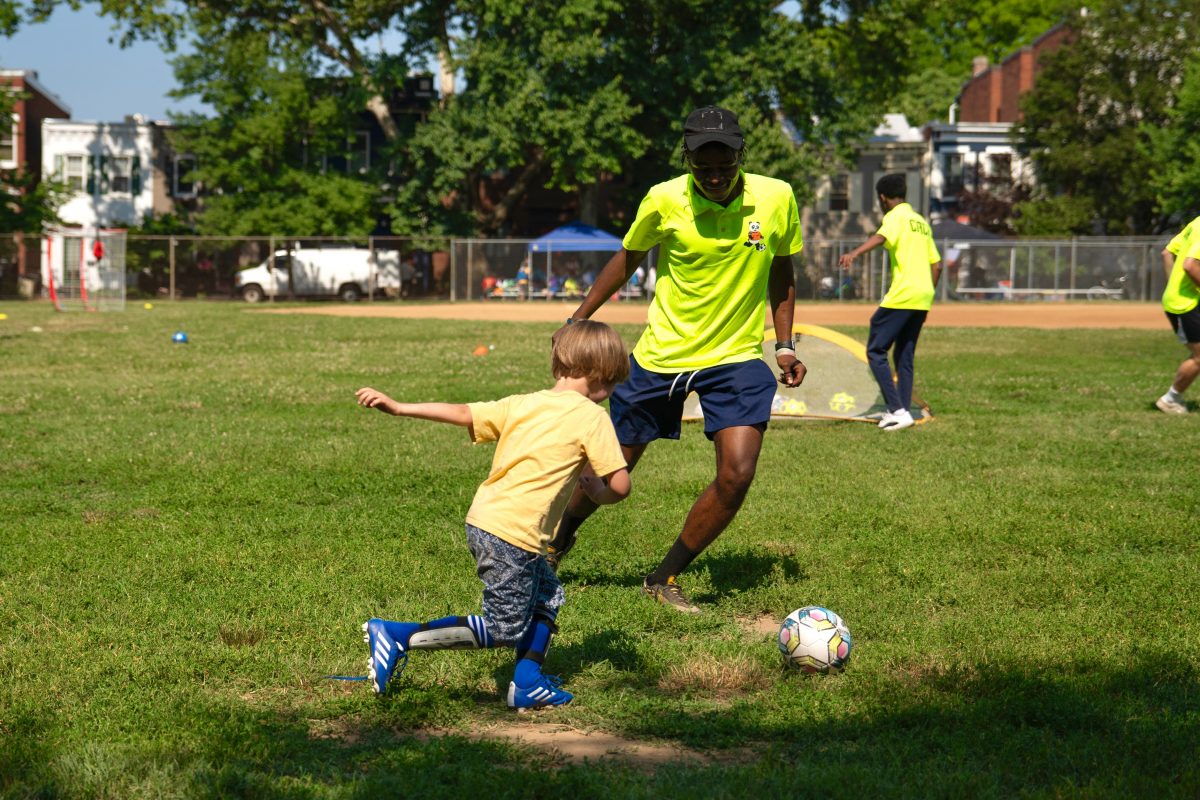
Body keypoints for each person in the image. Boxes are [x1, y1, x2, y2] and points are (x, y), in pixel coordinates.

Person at [546, 105, 806, 614]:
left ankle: (664, 577)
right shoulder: (664, 199)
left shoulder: (776, 197)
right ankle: (557, 544)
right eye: (702, 166)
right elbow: (627, 258)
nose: (713, 176)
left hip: (734, 357)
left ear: (740, 157)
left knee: (737, 474)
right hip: (661, 354)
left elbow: (783, 269)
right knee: (608, 471)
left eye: (724, 165)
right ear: (687, 159)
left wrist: (785, 344)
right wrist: (577, 319)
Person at [355, 320, 631, 708]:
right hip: (512, 533)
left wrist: (400, 407)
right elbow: (620, 485)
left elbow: (462, 412)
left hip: (490, 521)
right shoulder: (592, 417)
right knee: (504, 628)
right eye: (615, 384)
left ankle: (528, 682)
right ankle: (398, 636)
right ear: (603, 376)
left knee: (548, 598)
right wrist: (597, 491)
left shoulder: (522, 403)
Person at [837, 173, 942, 431]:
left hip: (903, 294)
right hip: (922, 296)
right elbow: (936, 265)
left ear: (882, 198)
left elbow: (881, 237)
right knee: (904, 354)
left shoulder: (895, 217)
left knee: (875, 349)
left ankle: (896, 409)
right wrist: (927, 295)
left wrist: (855, 252)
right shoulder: (921, 221)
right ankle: (904, 411)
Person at [1156, 215, 1200, 414]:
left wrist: (1172, 285)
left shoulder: (1196, 222)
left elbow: (1167, 253)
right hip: (1185, 304)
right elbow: (1190, 265)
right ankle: (1170, 399)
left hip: (1184, 297)